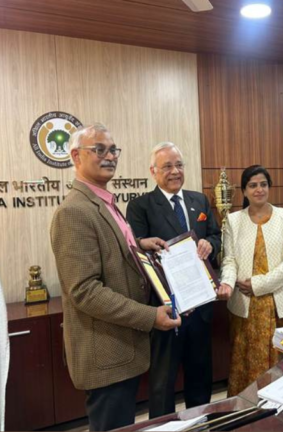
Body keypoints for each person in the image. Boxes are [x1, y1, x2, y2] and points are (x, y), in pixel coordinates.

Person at [50, 123, 181, 431]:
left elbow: (110, 254)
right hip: (106, 352)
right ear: (76, 156)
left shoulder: (104, 202)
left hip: (122, 346)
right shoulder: (75, 212)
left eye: (112, 150)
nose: (109, 156)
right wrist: (150, 316)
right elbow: (84, 291)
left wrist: (138, 246)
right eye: (99, 150)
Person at [126, 142, 232, 418]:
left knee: (200, 377)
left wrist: (210, 243)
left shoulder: (200, 200)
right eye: (167, 166)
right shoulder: (140, 206)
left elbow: (216, 235)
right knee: (163, 382)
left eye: (179, 165)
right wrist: (144, 244)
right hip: (166, 309)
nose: (175, 171)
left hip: (201, 306)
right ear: (153, 171)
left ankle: (200, 423)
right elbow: (133, 250)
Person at [218, 165, 283, 396]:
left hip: (281, 304)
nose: (259, 190)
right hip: (245, 306)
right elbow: (229, 260)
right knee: (245, 363)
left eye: (263, 184)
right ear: (244, 191)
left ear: (269, 187)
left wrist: (258, 284)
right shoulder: (234, 221)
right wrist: (226, 282)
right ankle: (248, 412)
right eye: (253, 185)